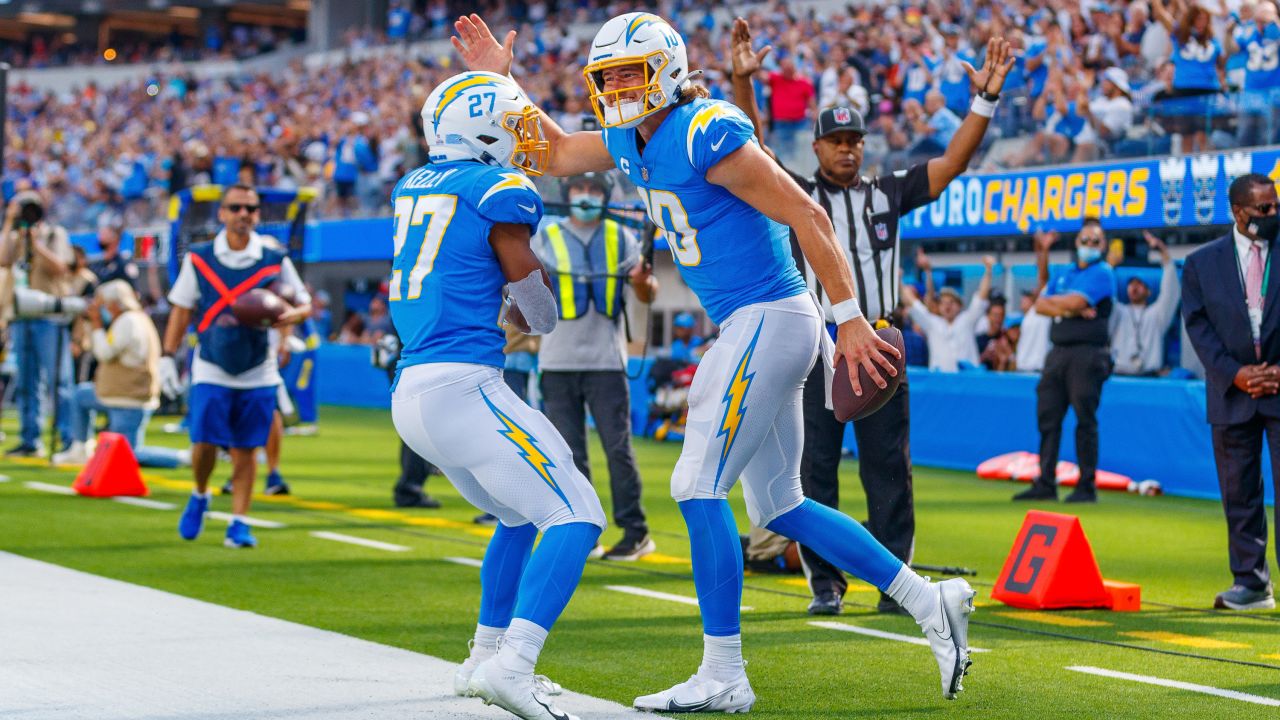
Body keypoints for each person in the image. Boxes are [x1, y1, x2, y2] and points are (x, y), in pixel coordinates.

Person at [454, 12, 998, 710]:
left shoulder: (708, 127)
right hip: (753, 323)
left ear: (668, 71)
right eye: (607, 76)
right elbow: (554, 152)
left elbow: (810, 215)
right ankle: (931, 600)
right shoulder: (629, 139)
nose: (618, 87)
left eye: (631, 72)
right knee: (784, 503)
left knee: (695, 485)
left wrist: (852, 319)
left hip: (771, 315)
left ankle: (725, 673)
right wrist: (495, 81)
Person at [729, 14, 1003, 615]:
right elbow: (751, 151)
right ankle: (825, 583)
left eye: (855, 141)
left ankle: (896, 583)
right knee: (814, 469)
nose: (848, 149)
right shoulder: (797, 192)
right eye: (837, 141)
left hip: (877, 340)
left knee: (889, 470)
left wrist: (983, 100)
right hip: (816, 344)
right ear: (818, 145)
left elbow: (952, 163)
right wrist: (743, 84)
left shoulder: (888, 192)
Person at [390, 71, 606, 720]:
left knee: (517, 517)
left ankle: (482, 657)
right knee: (579, 514)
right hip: (463, 386)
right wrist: (534, 305)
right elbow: (540, 313)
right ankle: (514, 667)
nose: (521, 139)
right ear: (481, 131)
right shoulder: (498, 189)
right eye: (511, 125)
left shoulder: (414, 184)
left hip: (414, 391)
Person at [167, 184, 311, 549]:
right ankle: (200, 494)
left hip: (257, 366)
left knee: (248, 447)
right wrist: (168, 356)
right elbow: (182, 308)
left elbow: (304, 303)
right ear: (222, 213)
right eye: (236, 208)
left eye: (250, 208)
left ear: (258, 215)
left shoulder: (274, 258)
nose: (244, 214)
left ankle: (239, 521)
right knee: (204, 444)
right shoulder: (199, 257)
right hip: (212, 363)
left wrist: (287, 318)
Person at [535, 172, 659, 561]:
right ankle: (583, 532)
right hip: (556, 362)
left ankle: (635, 532)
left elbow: (647, 291)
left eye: (592, 190)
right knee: (569, 454)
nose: (584, 196)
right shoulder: (545, 237)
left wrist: (643, 282)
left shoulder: (623, 237)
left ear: (604, 195)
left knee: (617, 449)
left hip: (607, 362)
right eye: (578, 189)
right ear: (567, 193)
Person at [1182, 172, 1280, 611]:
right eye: (1264, 209)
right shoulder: (1202, 263)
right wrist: (1236, 373)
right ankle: (1252, 584)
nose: (1273, 214)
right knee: (1239, 492)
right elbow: (1198, 328)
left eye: (1276, 206)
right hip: (1231, 392)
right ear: (1239, 212)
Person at [1015, 217, 1115, 503]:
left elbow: (1073, 303)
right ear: (1076, 242)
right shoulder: (1065, 272)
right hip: (1058, 352)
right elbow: (1042, 303)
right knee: (1048, 417)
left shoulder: (1103, 273)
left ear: (1103, 245)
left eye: (1095, 241)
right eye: (1085, 240)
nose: (1089, 245)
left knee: (1085, 419)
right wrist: (1069, 308)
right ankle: (1045, 482)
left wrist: (1067, 306)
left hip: (1088, 353)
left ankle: (1086, 485)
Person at [52, 280, 187, 468]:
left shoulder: (127, 321)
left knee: (128, 453)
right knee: (81, 395)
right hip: (118, 394)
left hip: (127, 398)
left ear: (114, 304)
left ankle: (184, 458)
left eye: (103, 305)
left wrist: (97, 325)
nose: (100, 309)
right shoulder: (136, 318)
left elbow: (104, 353)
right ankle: (79, 447)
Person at [0, 190, 74, 457]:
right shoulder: (15, 236)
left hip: (49, 318)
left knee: (59, 381)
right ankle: (30, 438)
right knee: (25, 383)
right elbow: (3, 260)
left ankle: (69, 437)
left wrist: (37, 245)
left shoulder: (55, 234)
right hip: (21, 316)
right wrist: (9, 223)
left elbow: (61, 268)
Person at [902, 257, 995, 372]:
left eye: (952, 302)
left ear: (960, 306)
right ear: (939, 306)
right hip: (940, 382)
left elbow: (981, 296)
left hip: (968, 381)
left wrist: (988, 270)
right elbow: (912, 303)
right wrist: (897, 280)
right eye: (943, 303)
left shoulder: (967, 320)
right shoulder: (932, 323)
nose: (947, 306)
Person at [1111, 231, 1181, 376]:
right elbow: (1105, 293)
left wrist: (1163, 252)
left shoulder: (1156, 314)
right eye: (1131, 284)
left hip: (1149, 376)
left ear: (1149, 292)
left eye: (1139, 283)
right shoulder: (1118, 311)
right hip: (1119, 376)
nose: (1134, 287)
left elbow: (1170, 290)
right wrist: (1110, 266)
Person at [88, 212, 141, 290]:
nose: (100, 236)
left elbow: (134, 289)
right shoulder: (96, 264)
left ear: (116, 238)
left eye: (105, 233)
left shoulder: (124, 262)